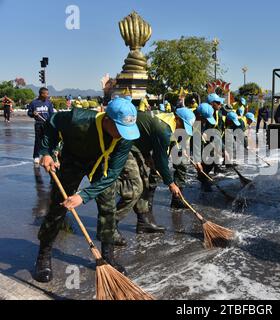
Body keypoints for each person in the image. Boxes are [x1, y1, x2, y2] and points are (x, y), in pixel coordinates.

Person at [33, 96, 140, 283]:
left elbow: (113, 173)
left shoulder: (125, 138)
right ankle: (44, 254)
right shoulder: (78, 119)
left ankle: (107, 256)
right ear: (107, 119)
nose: (123, 134)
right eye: (120, 129)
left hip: (101, 166)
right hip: (73, 159)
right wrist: (46, 152)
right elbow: (52, 122)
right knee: (59, 206)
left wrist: (84, 195)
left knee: (108, 207)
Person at [97, 107, 196, 248]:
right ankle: (110, 225)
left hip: (136, 146)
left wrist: (148, 156)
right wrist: (171, 183)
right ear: (177, 119)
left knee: (144, 180)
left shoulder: (167, 121)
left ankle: (143, 221)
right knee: (135, 186)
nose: (184, 129)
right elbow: (161, 161)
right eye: (183, 125)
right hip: (124, 145)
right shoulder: (164, 129)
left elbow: (146, 137)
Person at [27, 88, 55, 164]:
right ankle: (36, 156)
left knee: (47, 140)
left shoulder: (49, 103)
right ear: (41, 94)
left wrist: (51, 122)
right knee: (38, 140)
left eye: (47, 94)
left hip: (47, 124)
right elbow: (29, 113)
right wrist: (33, 113)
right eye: (46, 94)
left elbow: (52, 114)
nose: (47, 95)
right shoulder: (34, 103)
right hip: (38, 124)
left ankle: (47, 155)